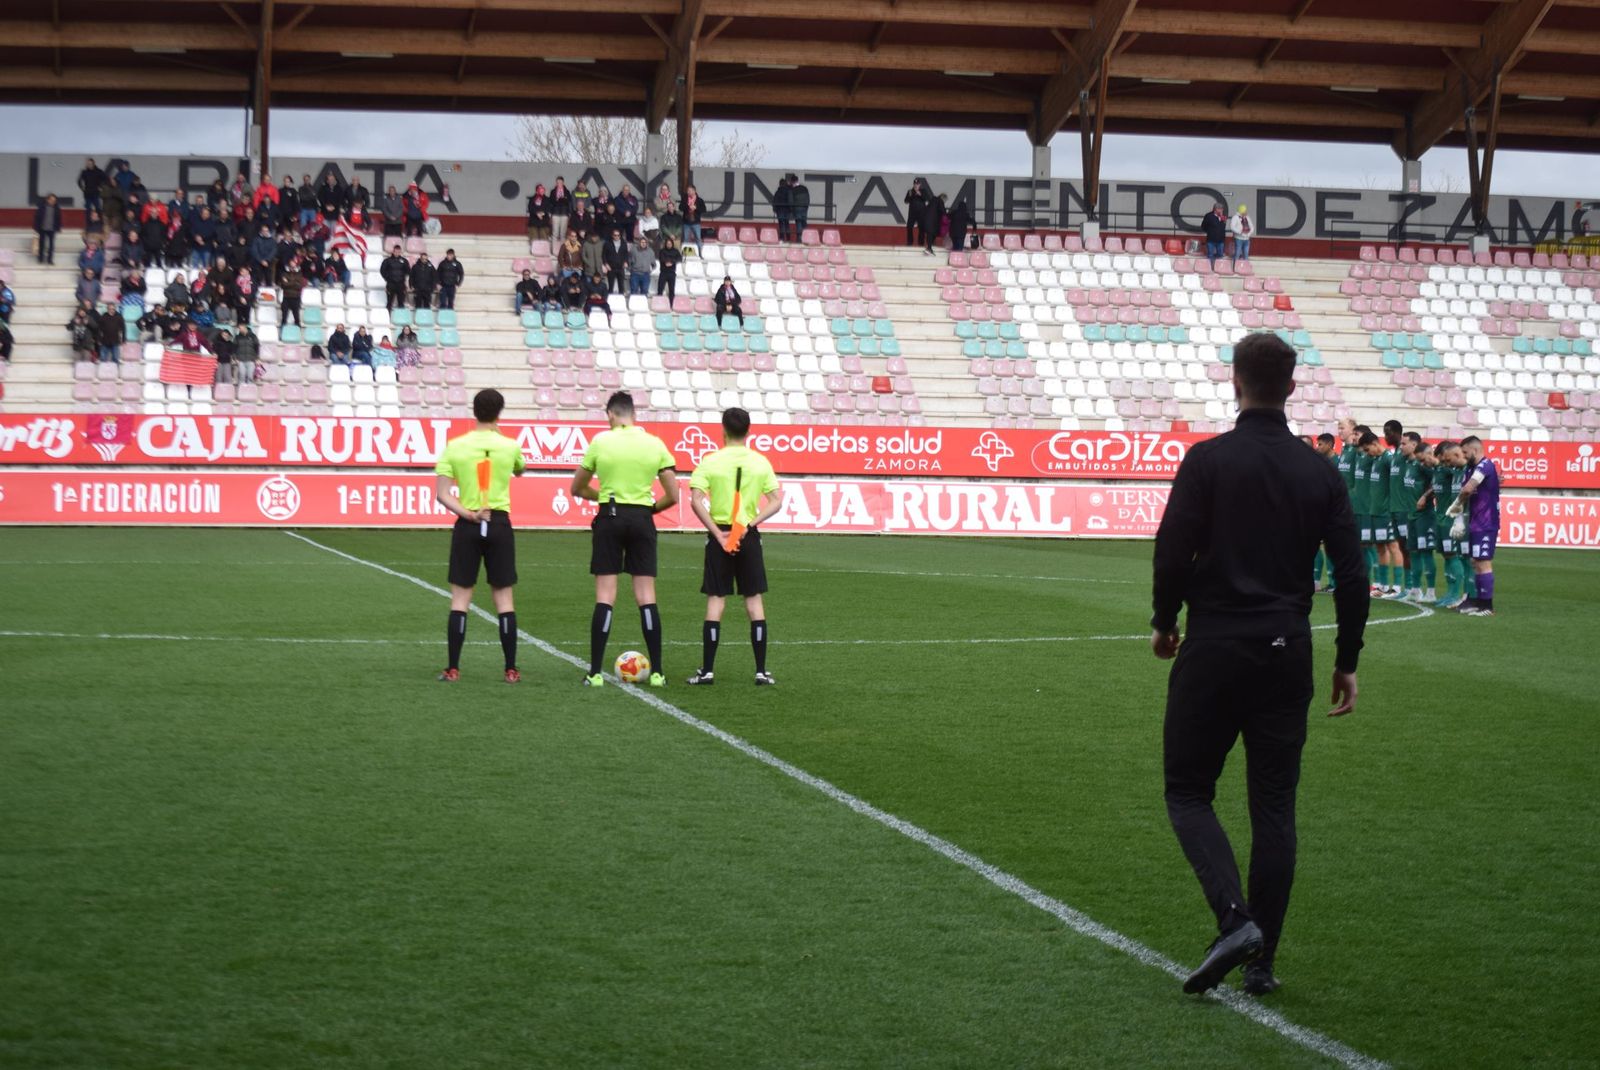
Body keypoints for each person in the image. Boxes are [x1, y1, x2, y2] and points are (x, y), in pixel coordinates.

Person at [1151, 331, 1369, 998]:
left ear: (1235, 383)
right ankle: (1262, 963)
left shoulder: (1208, 460)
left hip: (1216, 645)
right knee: (1274, 806)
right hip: (1286, 650)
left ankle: (1234, 921)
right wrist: (1347, 659)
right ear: (1292, 388)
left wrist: (1165, 619)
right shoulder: (1319, 471)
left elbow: (1172, 548)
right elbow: (1352, 573)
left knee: (1188, 791)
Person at [570, 391, 679, 688]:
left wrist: (603, 497)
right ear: (634, 414)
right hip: (642, 518)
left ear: (610, 414)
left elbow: (576, 487)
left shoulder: (601, 441)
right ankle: (657, 673)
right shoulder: (654, 443)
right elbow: (673, 495)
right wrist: (649, 509)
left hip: (610, 516)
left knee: (605, 596)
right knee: (646, 596)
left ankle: (594, 673)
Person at [433, 388, 528, 684]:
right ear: (499, 413)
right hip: (498, 523)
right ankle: (511, 669)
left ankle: (453, 668)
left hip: (468, 523)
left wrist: (469, 514)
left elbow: (442, 494)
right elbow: (521, 470)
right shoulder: (509, 446)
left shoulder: (455, 446)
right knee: (504, 600)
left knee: (460, 599)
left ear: (474, 411)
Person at [685, 407, 783, 686]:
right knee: (753, 601)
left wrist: (717, 533)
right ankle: (761, 671)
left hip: (721, 535)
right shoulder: (760, 462)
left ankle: (707, 671)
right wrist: (750, 525)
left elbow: (695, 500)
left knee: (716, 600)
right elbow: (776, 500)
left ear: (723, 430)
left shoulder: (711, 461)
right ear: (749, 431)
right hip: (747, 535)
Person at [1451, 435, 1501, 617]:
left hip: (1486, 523)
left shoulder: (1485, 465)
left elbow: (1467, 489)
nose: (1464, 456)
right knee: (1475, 562)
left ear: (1475, 449)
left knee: (1483, 562)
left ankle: (1487, 606)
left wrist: (1455, 507)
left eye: (1465, 452)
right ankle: (1479, 602)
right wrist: (1459, 517)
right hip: (1476, 522)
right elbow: (1467, 491)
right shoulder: (1471, 468)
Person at [1403, 435, 1437, 602]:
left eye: (1404, 443)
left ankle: (1431, 592)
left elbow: (1437, 483)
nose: (1401, 447)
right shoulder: (1410, 464)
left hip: (1425, 516)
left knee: (1426, 552)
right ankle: (1415, 589)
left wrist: (1425, 496)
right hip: (1411, 516)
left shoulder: (1426, 468)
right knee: (1414, 552)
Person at [33, 193, 63, 264]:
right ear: (47, 200)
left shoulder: (57, 208)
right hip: (42, 228)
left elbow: (59, 219)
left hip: (52, 229)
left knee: (51, 245)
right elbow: (37, 217)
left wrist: (59, 227)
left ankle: (50, 260)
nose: (52, 202)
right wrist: (36, 227)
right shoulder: (42, 207)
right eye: (51, 200)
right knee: (42, 244)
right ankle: (40, 259)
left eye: (54, 200)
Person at [380, 245, 410, 310]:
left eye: (398, 252)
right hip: (391, 284)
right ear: (393, 251)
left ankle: (400, 316)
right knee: (389, 302)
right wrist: (388, 278)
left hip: (401, 284)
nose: (397, 253)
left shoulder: (404, 261)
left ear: (400, 252)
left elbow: (408, 271)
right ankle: (388, 315)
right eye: (396, 252)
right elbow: (382, 270)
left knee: (401, 303)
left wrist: (405, 280)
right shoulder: (387, 261)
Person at [904, 178, 929, 247]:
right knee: (909, 226)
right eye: (915, 184)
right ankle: (910, 242)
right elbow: (906, 201)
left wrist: (920, 194)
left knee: (921, 228)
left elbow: (927, 199)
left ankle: (921, 243)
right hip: (912, 213)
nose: (916, 185)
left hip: (921, 213)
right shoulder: (910, 191)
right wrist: (911, 195)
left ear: (920, 184)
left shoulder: (923, 191)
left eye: (917, 184)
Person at [1202, 203, 1229, 269]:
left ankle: (1218, 268)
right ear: (1215, 209)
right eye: (1219, 209)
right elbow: (1203, 226)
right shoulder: (1208, 216)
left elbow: (1223, 227)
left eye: (1222, 209)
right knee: (1210, 255)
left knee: (1220, 255)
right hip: (1211, 239)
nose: (1221, 210)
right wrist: (1210, 232)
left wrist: (1222, 218)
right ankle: (1210, 268)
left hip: (1221, 240)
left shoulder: (1223, 216)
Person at [602, 229, 629, 294]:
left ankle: (621, 298)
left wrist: (626, 262)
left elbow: (626, 254)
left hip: (620, 267)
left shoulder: (624, 244)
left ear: (620, 236)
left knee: (621, 286)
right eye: (615, 235)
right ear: (612, 235)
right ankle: (610, 298)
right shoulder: (607, 243)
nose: (616, 236)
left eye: (618, 235)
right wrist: (606, 264)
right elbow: (604, 255)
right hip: (611, 268)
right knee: (611, 286)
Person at [657, 237, 682, 302]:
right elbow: (661, 258)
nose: (669, 245)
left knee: (671, 290)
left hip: (672, 273)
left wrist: (672, 262)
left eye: (670, 244)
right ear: (665, 244)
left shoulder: (675, 251)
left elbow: (680, 258)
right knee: (660, 289)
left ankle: (671, 304)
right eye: (667, 244)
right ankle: (659, 303)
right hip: (663, 273)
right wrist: (666, 262)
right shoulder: (662, 251)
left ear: (672, 244)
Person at [787, 174, 810, 242]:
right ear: (797, 180)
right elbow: (808, 198)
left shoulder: (792, 190)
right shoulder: (804, 188)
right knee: (804, 222)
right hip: (804, 207)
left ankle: (799, 238)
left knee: (798, 223)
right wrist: (806, 206)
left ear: (792, 181)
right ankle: (806, 237)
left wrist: (791, 209)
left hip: (797, 208)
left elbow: (790, 201)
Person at [549, 176, 572, 245]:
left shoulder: (567, 191)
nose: (559, 184)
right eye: (557, 182)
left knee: (563, 234)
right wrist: (551, 213)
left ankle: (562, 249)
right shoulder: (553, 191)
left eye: (560, 182)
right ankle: (554, 248)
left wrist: (569, 213)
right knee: (555, 233)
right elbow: (551, 202)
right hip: (555, 213)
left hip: (564, 213)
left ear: (563, 183)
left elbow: (569, 202)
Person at [771, 177, 792, 243]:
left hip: (779, 210)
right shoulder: (788, 192)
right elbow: (790, 201)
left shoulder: (777, 192)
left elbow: (774, 202)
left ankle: (782, 238)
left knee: (781, 224)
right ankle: (788, 238)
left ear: (780, 184)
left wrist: (774, 209)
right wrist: (790, 209)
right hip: (786, 210)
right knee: (787, 224)